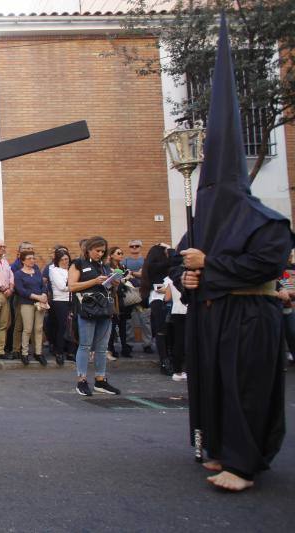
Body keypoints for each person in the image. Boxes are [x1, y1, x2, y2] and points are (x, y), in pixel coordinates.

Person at [172, 18, 292, 491]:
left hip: (249, 315)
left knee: (246, 389)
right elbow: (185, 261)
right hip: (213, 314)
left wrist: (210, 267)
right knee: (214, 385)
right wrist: (191, 276)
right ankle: (219, 446)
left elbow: (264, 266)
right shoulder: (207, 221)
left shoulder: (267, 221)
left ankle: (244, 464)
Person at [67, 236, 121, 397]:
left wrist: (114, 282)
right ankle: (81, 380)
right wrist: (95, 281)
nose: (100, 253)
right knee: (85, 345)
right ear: (88, 249)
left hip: (104, 309)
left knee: (102, 348)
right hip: (87, 309)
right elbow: (71, 286)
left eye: (102, 251)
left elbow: (107, 287)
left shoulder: (104, 266)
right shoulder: (78, 264)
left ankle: (100, 379)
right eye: (97, 250)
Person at [141, 244, 173, 375]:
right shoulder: (159, 265)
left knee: (163, 331)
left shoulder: (149, 265)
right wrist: (170, 248)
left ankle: (165, 360)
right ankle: (165, 362)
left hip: (158, 300)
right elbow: (174, 259)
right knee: (162, 332)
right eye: (165, 252)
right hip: (160, 300)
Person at [14, 250, 48, 366]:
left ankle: (38, 353)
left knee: (39, 328)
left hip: (40, 304)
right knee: (27, 329)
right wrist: (37, 296)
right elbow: (20, 290)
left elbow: (43, 286)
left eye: (33, 258)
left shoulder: (37, 272)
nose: (32, 260)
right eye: (29, 258)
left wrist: (43, 295)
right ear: (23, 260)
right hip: (26, 303)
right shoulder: (18, 274)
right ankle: (24, 353)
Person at [124, 239, 153, 353]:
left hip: (143, 292)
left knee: (145, 320)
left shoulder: (146, 261)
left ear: (141, 247)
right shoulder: (125, 261)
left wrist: (133, 273)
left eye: (137, 246)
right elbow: (124, 275)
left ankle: (147, 344)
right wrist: (138, 274)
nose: (134, 248)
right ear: (129, 248)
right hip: (130, 293)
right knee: (129, 320)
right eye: (132, 246)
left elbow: (146, 275)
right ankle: (129, 344)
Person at [6, 241, 33, 356]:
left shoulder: (34, 265)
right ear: (19, 252)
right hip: (18, 298)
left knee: (28, 326)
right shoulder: (14, 267)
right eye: (26, 248)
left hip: (31, 299)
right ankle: (14, 348)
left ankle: (24, 348)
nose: (29, 250)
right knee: (17, 324)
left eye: (31, 248)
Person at [48, 249, 72, 366]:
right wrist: (76, 285)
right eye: (62, 259)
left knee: (72, 327)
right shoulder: (54, 270)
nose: (64, 261)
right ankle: (59, 352)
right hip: (60, 301)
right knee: (62, 327)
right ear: (57, 261)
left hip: (72, 300)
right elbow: (62, 286)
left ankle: (71, 351)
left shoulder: (71, 270)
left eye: (66, 259)